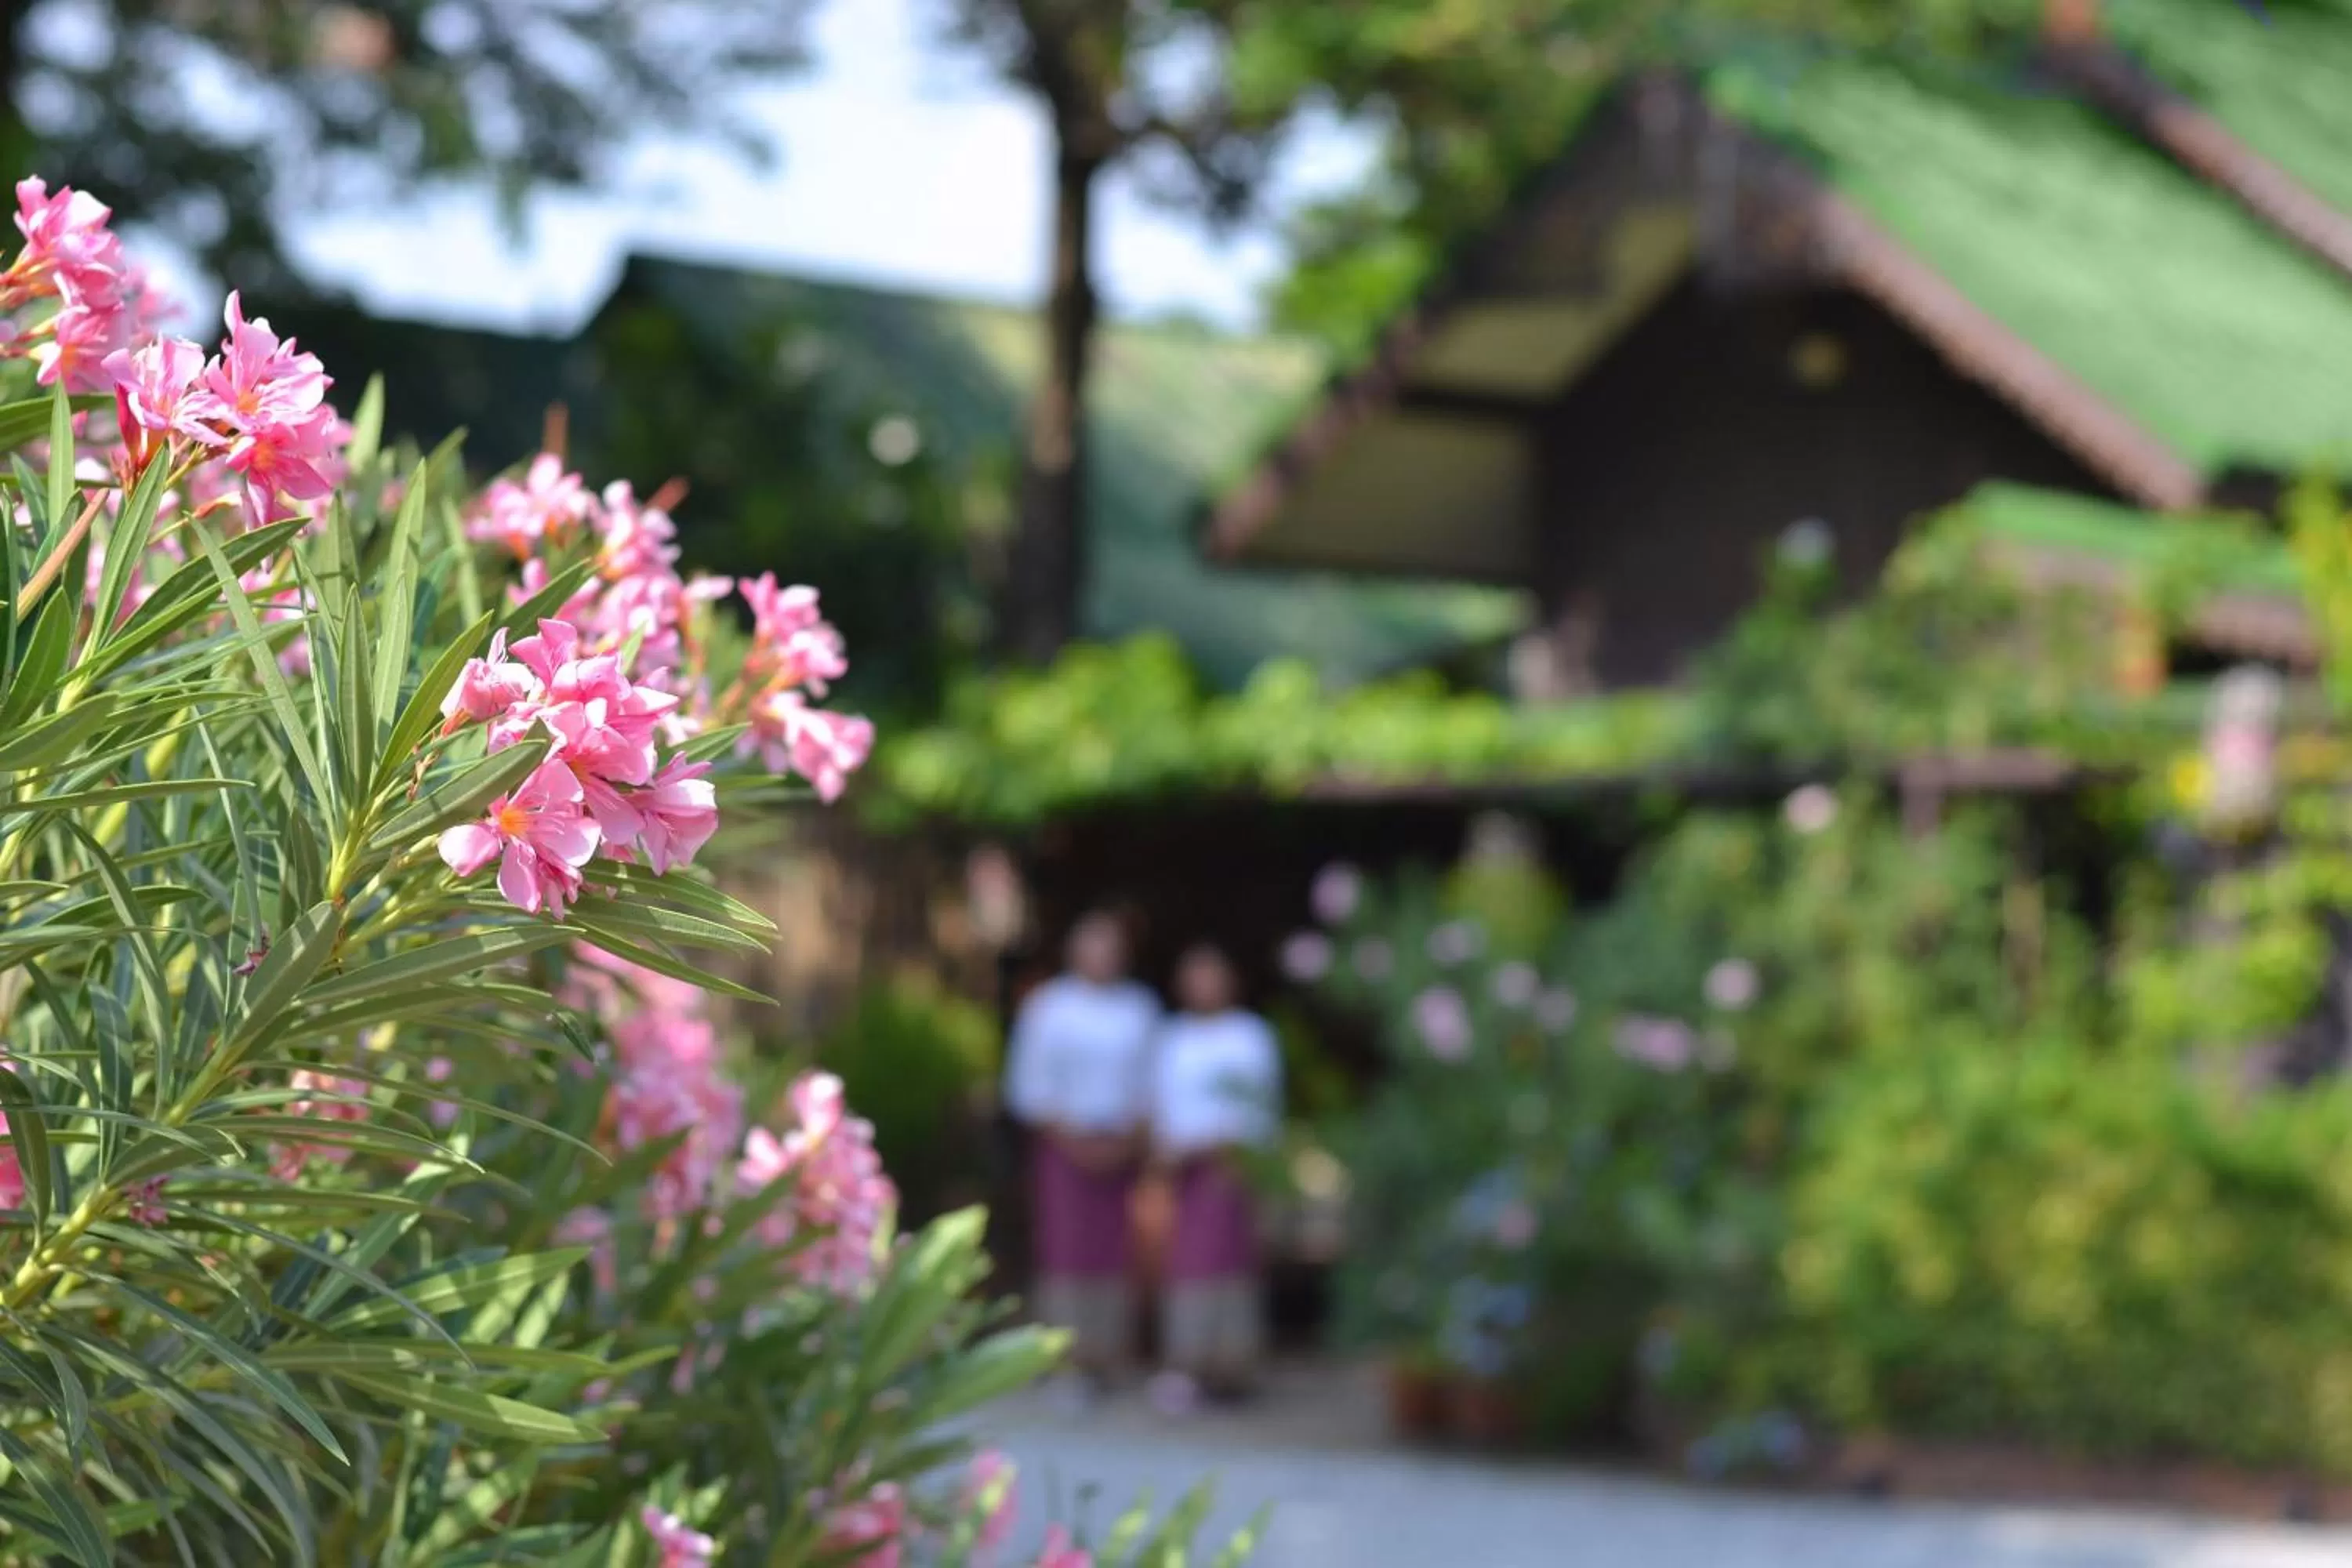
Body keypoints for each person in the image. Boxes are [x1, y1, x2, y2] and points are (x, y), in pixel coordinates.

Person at [1003, 911, 1160, 1387]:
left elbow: (1153, 1082)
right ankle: (1065, 1359)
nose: (1102, 955)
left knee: (1117, 1251)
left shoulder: (1139, 1007)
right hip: (1064, 1146)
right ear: (1073, 950)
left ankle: (1111, 1356)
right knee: (1067, 1250)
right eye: (1093, 944)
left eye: (1110, 946)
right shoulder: (1048, 1006)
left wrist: (1128, 1140)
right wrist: (1074, 1141)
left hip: (1122, 1148)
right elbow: (1028, 1084)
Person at [1149, 944, 1282, 1407]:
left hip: (1235, 1165)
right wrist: (1168, 1154)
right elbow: (1160, 1102)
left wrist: (1246, 1154)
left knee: (1233, 1263)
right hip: (1184, 1168)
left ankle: (1234, 1369)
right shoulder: (1172, 1038)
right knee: (1190, 1266)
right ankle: (1188, 1363)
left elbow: (1264, 1101)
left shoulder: (1251, 1035)